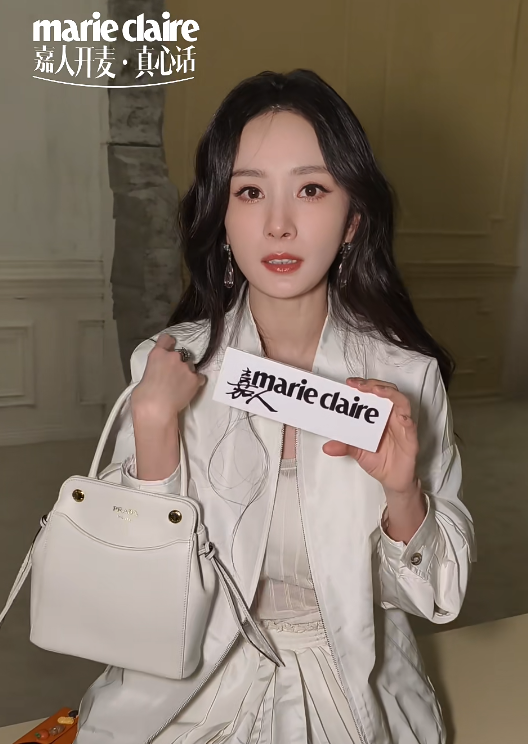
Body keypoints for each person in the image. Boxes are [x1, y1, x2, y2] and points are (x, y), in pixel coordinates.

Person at [76, 70, 475, 744]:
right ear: (221, 216)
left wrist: (403, 494)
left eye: (311, 189)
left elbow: (434, 597)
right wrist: (154, 435)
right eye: (250, 191)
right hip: (190, 687)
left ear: (353, 220)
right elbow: (128, 600)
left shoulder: (405, 379)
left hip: (354, 690)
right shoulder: (166, 367)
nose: (279, 224)